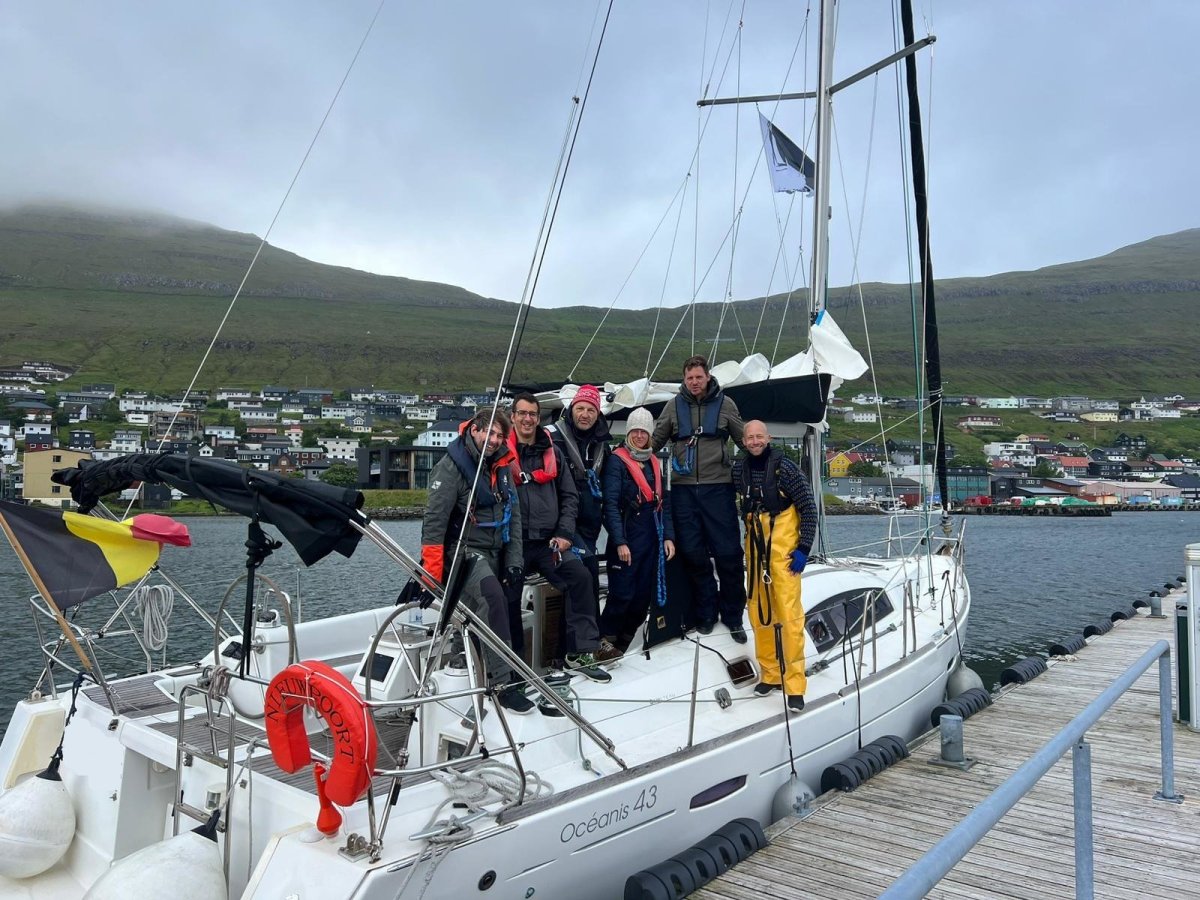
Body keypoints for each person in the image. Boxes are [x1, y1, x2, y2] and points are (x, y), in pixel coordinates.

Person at [420, 408, 535, 715]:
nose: (494, 440)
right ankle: (502, 684)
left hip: (498, 551)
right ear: (474, 431)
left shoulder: (501, 467)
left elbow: (514, 517)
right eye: (489, 433)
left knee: (502, 606)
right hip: (463, 552)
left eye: (499, 435)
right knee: (492, 599)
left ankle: (471, 666)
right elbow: (433, 523)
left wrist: (515, 561)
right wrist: (431, 575)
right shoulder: (450, 469)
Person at [506, 392, 615, 682]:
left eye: (533, 414)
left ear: (538, 418)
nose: (528, 419)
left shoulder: (552, 452)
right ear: (513, 417)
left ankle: (578, 654)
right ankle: (512, 666)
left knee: (580, 578)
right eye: (522, 414)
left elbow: (569, 497)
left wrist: (565, 533)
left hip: (547, 542)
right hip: (513, 543)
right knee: (507, 597)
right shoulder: (500, 454)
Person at [651, 354, 747, 641]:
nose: (694, 382)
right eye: (689, 378)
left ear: (707, 377)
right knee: (692, 555)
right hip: (683, 492)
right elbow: (654, 442)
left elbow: (745, 442)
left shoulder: (726, 405)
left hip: (718, 489)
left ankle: (733, 616)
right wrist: (625, 459)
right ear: (685, 379)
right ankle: (706, 612)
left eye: (699, 377)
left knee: (729, 555)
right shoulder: (672, 407)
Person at [731, 420, 817, 713]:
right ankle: (770, 674)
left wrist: (804, 548)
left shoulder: (787, 470)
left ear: (768, 438)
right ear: (744, 441)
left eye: (759, 436)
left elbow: (808, 508)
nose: (755, 441)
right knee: (759, 613)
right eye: (750, 437)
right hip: (755, 547)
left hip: (783, 550)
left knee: (790, 619)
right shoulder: (739, 470)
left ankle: (795, 685)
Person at [601, 407, 676, 650]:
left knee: (642, 598)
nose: (639, 436)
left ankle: (622, 645)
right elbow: (610, 504)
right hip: (626, 537)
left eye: (644, 431)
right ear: (629, 432)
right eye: (635, 431)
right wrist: (620, 541)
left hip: (650, 538)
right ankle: (604, 643)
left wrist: (668, 537)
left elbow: (664, 502)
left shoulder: (654, 461)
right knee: (621, 595)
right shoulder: (617, 461)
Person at [551, 384, 613, 649]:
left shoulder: (602, 447)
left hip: (589, 526)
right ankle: (580, 645)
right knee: (584, 573)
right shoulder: (554, 440)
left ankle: (589, 637)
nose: (585, 414)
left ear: (597, 414)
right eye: (580, 408)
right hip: (564, 522)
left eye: (591, 409)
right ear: (571, 410)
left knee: (587, 577)